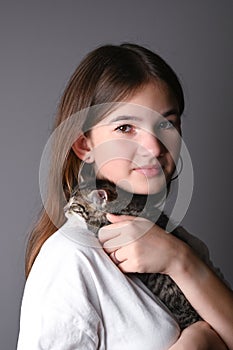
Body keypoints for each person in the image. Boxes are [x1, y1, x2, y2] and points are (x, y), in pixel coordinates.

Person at [17, 43, 233, 349]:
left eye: (166, 124)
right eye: (126, 127)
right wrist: (198, 344)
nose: (155, 147)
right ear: (85, 146)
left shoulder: (183, 246)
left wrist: (180, 261)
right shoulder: (71, 260)